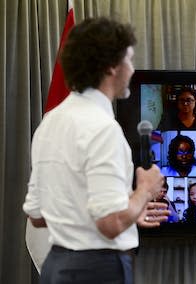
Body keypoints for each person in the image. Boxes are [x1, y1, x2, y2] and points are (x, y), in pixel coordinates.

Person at [22, 17, 170, 284]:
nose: (133, 70)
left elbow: (38, 216)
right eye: (130, 60)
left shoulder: (49, 123)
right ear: (112, 66)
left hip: (55, 268)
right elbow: (110, 224)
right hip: (98, 271)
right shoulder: (103, 129)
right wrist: (145, 191)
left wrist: (132, 208)